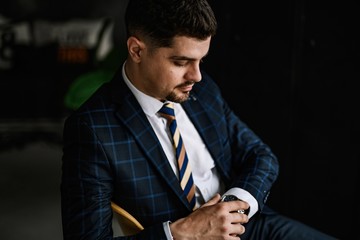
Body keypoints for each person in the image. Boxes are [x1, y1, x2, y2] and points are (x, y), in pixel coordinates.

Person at [60, 0, 338, 239]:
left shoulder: (203, 90)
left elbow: (261, 156)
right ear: (137, 50)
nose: (197, 76)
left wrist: (233, 209)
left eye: (201, 61)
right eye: (181, 62)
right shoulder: (92, 129)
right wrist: (182, 233)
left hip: (250, 226)